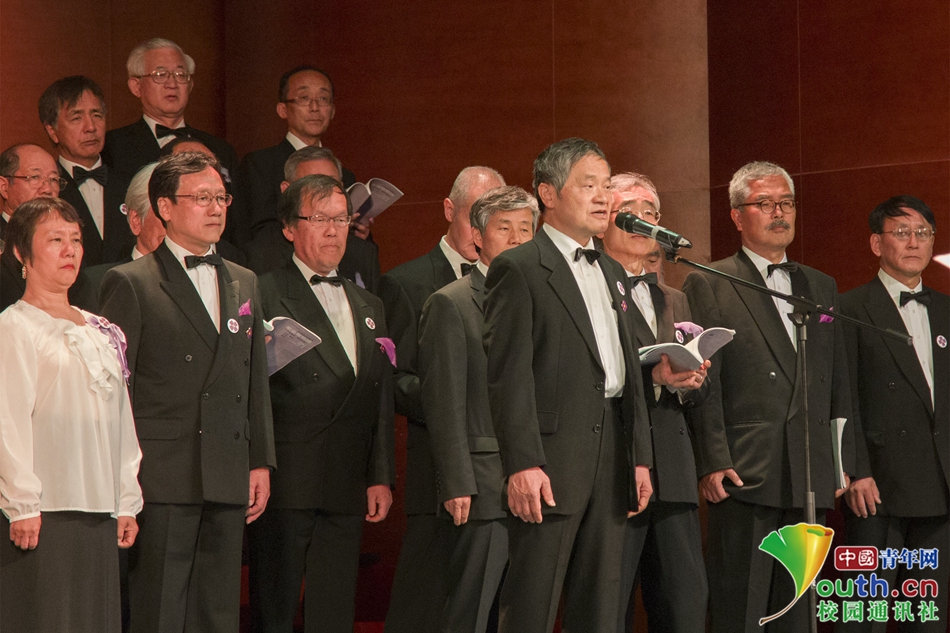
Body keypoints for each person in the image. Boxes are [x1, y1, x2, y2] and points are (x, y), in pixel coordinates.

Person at [98, 151, 276, 633]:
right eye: (201, 198)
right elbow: (115, 391)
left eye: (221, 197)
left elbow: (252, 378)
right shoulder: (131, 282)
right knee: (159, 610)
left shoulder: (244, 280)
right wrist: (121, 479)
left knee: (218, 611)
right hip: (162, 474)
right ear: (165, 207)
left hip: (227, 467)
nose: (216, 208)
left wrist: (260, 460)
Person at [483, 138, 653, 633]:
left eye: (606, 186)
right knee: (532, 605)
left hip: (613, 456)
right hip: (551, 462)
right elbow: (508, 376)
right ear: (548, 194)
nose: (603, 197)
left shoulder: (613, 270)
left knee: (601, 608)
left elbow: (627, 373)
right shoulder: (518, 267)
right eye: (588, 185)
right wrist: (523, 463)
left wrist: (640, 456)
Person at [682, 160, 853, 633]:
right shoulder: (711, 280)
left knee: (797, 613)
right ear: (737, 216)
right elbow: (705, 380)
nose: (779, 213)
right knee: (742, 608)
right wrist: (712, 460)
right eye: (765, 203)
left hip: (809, 471)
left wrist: (840, 462)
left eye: (787, 203)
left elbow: (836, 380)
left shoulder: (820, 284)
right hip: (744, 469)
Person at [248, 174, 395, 633]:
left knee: (333, 610)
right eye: (319, 219)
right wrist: (257, 464)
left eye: (341, 219)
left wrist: (379, 475)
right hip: (287, 480)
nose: (333, 231)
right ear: (289, 227)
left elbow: (379, 398)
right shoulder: (261, 291)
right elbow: (248, 395)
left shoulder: (369, 303)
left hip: (346, 480)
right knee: (276, 609)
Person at [0, 197, 143, 633]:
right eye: (55, 240)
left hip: (99, 508)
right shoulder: (14, 326)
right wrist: (22, 503)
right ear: (21, 253)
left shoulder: (100, 329)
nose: (70, 250)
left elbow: (121, 418)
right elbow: (7, 420)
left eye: (76, 240)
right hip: (44, 511)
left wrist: (126, 499)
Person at [379, 165, 506, 633]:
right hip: (437, 472)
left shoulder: (516, 282)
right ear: (450, 210)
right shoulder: (407, 282)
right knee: (428, 608)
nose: (483, 229)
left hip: (504, 473)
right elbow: (396, 380)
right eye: (476, 215)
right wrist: (458, 399)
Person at [418, 185, 539, 633]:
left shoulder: (546, 300)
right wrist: (456, 483)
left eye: (525, 229)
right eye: (504, 228)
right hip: (483, 489)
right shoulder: (450, 302)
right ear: (477, 236)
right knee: (471, 612)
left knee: (526, 613)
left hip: (542, 484)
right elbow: (443, 403)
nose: (516, 238)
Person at [601, 172, 709, 633]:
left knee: (684, 603)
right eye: (630, 211)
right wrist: (655, 378)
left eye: (651, 213)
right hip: (615, 468)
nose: (643, 220)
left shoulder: (674, 298)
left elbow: (695, 391)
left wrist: (691, 378)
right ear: (603, 219)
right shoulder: (590, 290)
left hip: (674, 468)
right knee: (610, 604)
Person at [837, 196, 948, 633]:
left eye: (923, 233)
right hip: (875, 489)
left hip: (939, 487)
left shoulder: (946, 309)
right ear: (876, 243)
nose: (914, 242)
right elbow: (842, 397)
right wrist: (856, 470)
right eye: (901, 232)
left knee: (927, 618)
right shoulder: (848, 309)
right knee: (864, 615)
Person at [103, 38, 239, 242]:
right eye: (160, 75)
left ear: (190, 85)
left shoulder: (220, 148)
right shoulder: (112, 146)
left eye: (180, 75)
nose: (172, 84)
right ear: (136, 86)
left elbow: (236, 224)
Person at [238, 65, 357, 244]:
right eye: (304, 98)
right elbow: (257, 232)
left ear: (332, 110)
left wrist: (360, 235)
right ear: (283, 110)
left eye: (323, 98)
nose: (315, 107)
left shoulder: (345, 175)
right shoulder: (259, 165)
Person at [241, 146, 380, 291]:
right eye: (313, 185)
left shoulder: (364, 254)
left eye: (330, 184)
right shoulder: (259, 257)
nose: (324, 194)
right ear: (286, 190)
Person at [39, 76, 133, 266]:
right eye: (76, 118)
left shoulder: (130, 184)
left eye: (97, 115)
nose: (90, 127)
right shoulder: (45, 190)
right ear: (52, 131)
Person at [70, 162, 161, 312]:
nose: (179, 226)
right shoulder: (96, 283)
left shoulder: (202, 276)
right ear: (136, 220)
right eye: (164, 211)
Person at [0, 144, 64, 310]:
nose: (47, 189)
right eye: (34, 177)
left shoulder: (68, 242)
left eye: (53, 179)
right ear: (4, 187)